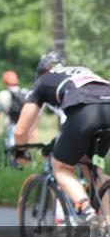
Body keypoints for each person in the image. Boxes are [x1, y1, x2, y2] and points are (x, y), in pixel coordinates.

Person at [14, 52, 110, 227]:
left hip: (86, 113)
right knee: (92, 168)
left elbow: (21, 130)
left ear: (42, 71)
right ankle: (106, 227)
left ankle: (86, 210)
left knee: (61, 168)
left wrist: (19, 150)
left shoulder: (43, 81)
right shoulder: (82, 71)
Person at [0, 70, 31, 149]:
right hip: (26, 127)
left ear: (5, 81)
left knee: (12, 151)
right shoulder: (26, 92)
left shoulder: (2, 95)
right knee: (23, 150)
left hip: (10, 126)